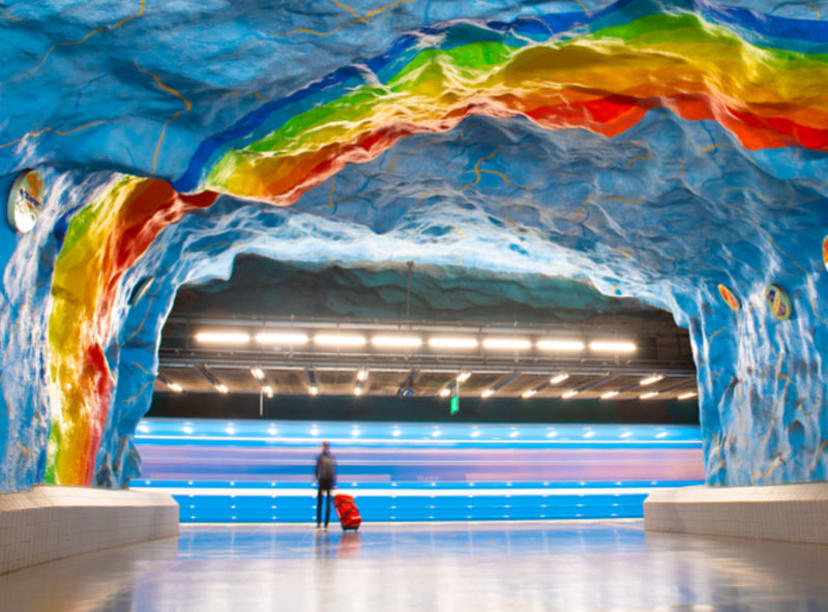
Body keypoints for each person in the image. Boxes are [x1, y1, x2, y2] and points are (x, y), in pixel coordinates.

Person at [315, 441, 337, 529]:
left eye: (324, 446)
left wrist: (334, 483)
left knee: (324, 503)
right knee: (322, 503)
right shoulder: (330, 457)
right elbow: (333, 471)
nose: (323, 448)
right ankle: (321, 523)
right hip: (325, 481)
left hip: (325, 481)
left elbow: (318, 469)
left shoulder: (321, 457)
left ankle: (324, 524)